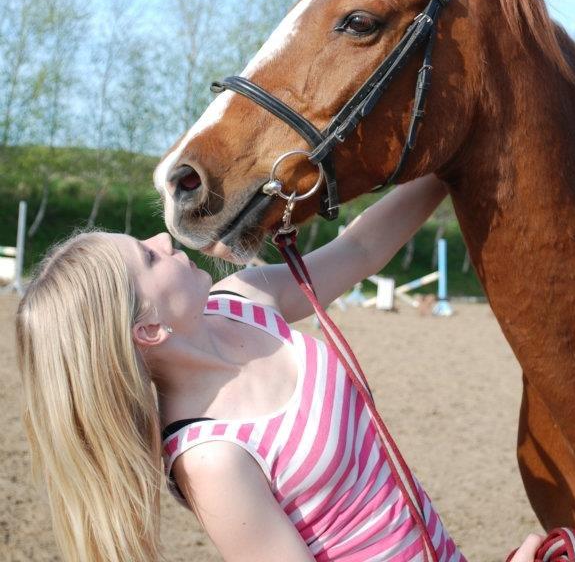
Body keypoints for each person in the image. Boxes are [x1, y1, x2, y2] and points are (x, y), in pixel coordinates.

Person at [16, 174, 543, 562]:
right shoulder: (211, 457)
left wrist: (444, 167)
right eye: (149, 259)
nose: (163, 241)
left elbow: (359, 249)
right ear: (148, 329)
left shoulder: (241, 298)